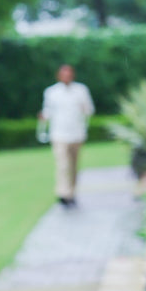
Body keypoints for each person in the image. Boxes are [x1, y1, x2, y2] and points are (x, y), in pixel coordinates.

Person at [40, 63, 94, 207]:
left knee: (73, 165)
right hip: (59, 134)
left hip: (76, 134)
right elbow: (48, 111)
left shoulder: (81, 90)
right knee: (62, 165)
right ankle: (63, 193)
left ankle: (72, 192)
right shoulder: (51, 92)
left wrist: (84, 110)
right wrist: (43, 117)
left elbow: (89, 109)